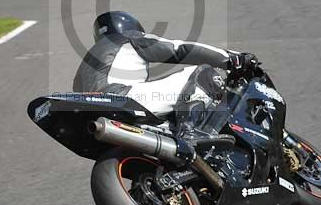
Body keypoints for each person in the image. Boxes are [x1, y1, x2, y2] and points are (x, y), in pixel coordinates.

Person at [73, 11, 257, 158]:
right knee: (201, 73)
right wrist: (232, 58)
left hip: (101, 116)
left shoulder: (84, 67)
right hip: (123, 99)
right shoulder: (128, 38)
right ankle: (190, 131)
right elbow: (180, 49)